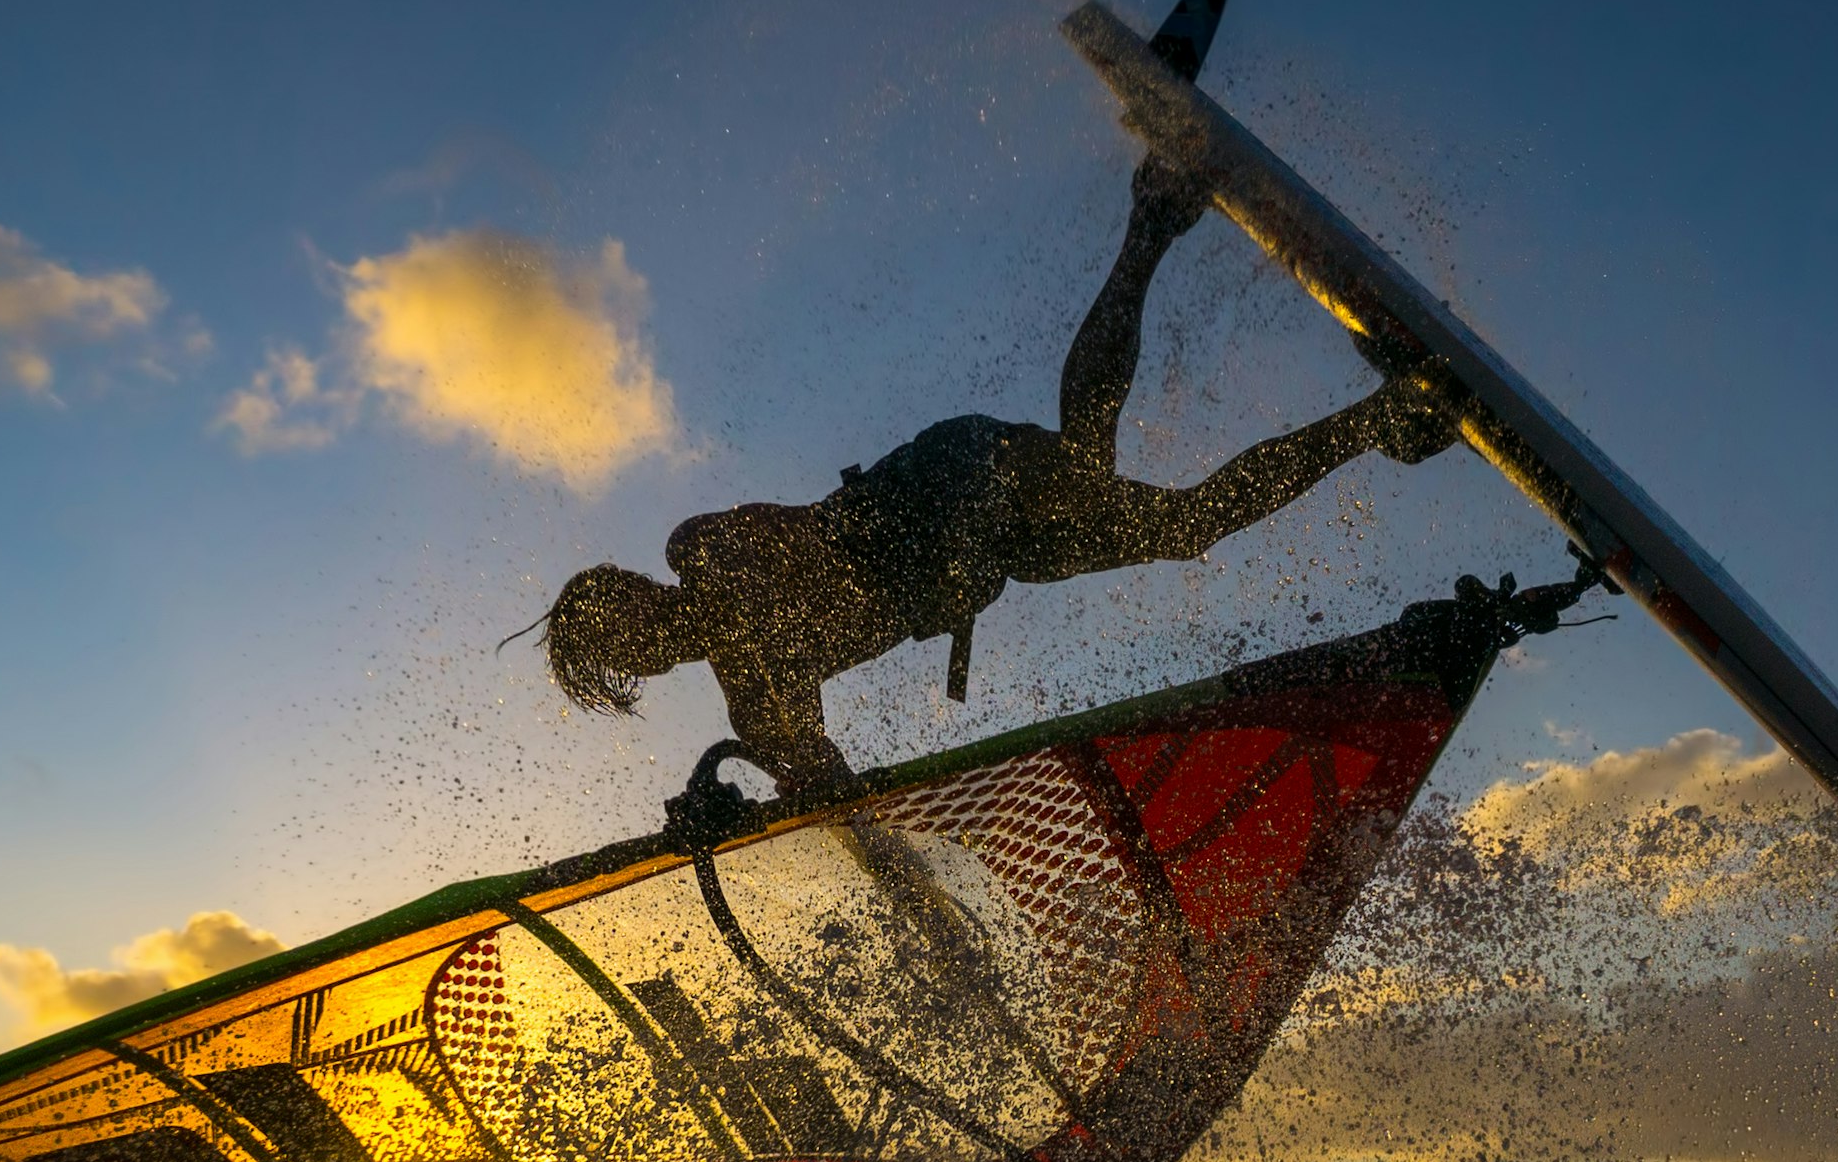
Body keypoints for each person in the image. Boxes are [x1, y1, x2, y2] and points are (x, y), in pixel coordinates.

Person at [531, 151, 1461, 798]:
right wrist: (782, 805)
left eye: (627, 631)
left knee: (1094, 460)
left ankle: (1157, 214)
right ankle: (1376, 414)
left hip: (944, 489)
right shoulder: (760, 705)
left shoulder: (704, 553)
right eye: (629, 660)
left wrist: (788, 674)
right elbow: (840, 805)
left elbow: (794, 545)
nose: (644, 650)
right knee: (1185, 527)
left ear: (631, 595)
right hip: (989, 555)